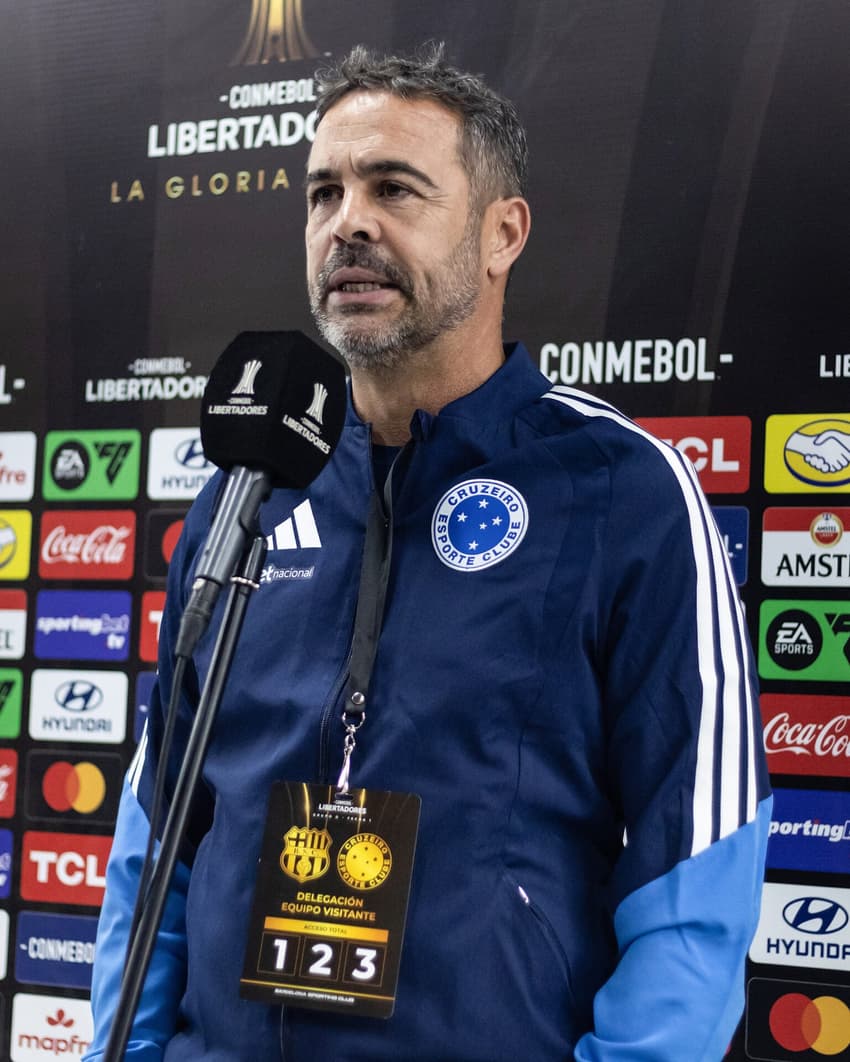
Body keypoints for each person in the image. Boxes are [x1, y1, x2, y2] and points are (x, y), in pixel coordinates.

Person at [85, 43, 771, 1061]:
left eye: (393, 188)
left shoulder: (622, 492)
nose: (347, 223)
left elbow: (695, 874)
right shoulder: (248, 492)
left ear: (503, 233)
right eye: (324, 193)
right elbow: (161, 835)